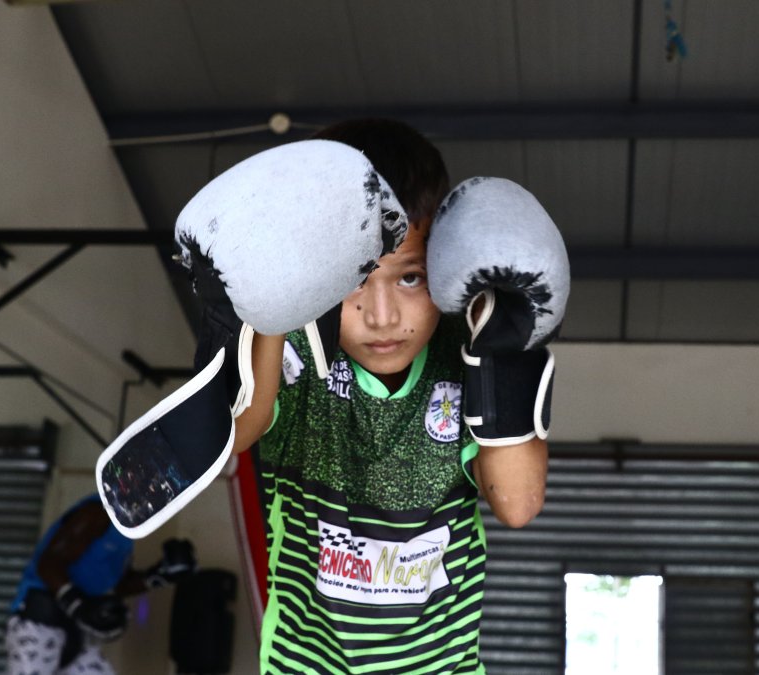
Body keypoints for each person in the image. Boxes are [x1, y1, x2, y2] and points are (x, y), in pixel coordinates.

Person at [225, 120, 564, 673]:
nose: (381, 317)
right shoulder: (298, 342)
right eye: (354, 279)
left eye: (410, 279)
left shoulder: (465, 349)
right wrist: (256, 297)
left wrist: (505, 352)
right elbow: (235, 431)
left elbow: (517, 505)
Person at [5, 494, 196, 675]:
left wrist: (158, 575)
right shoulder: (99, 513)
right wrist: (78, 604)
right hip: (40, 623)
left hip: (76, 630)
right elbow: (48, 564)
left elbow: (116, 585)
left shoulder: (127, 533)